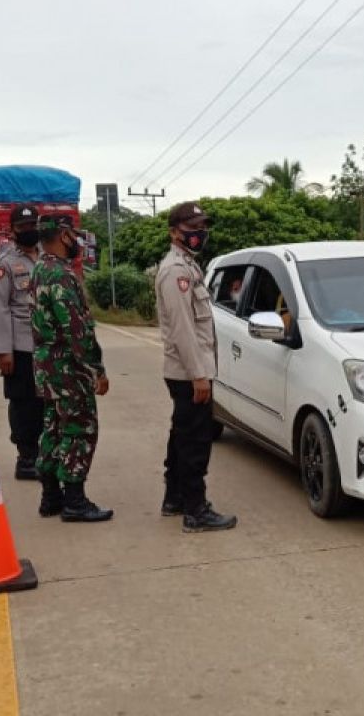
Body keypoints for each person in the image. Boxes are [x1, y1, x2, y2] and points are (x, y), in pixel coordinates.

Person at [155, 201, 237, 533]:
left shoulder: (188, 265)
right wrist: (198, 375)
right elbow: (183, 329)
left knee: (181, 436)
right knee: (195, 442)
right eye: (192, 229)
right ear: (175, 232)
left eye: (202, 228)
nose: (199, 234)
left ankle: (174, 498)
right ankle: (196, 510)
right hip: (189, 373)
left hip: (188, 371)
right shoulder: (176, 271)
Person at [31, 214, 113, 522]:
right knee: (80, 429)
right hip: (68, 368)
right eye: (74, 235)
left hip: (47, 368)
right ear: (64, 236)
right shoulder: (61, 275)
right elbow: (76, 330)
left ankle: (51, 495)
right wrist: (97, 369)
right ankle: (75, 501)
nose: (77, 241)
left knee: (54, 427)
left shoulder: (40, 268)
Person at [0, 205, 43, 481]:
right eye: (23, 227)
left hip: (48, 345)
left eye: (33, 224)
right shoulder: (3, 265)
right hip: (20, 346)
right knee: (24, 403)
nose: (30, 230)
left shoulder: (48, 257)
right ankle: (26, 457)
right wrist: (3, 351)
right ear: (13, 231)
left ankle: (43, 454)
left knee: (47, 402)